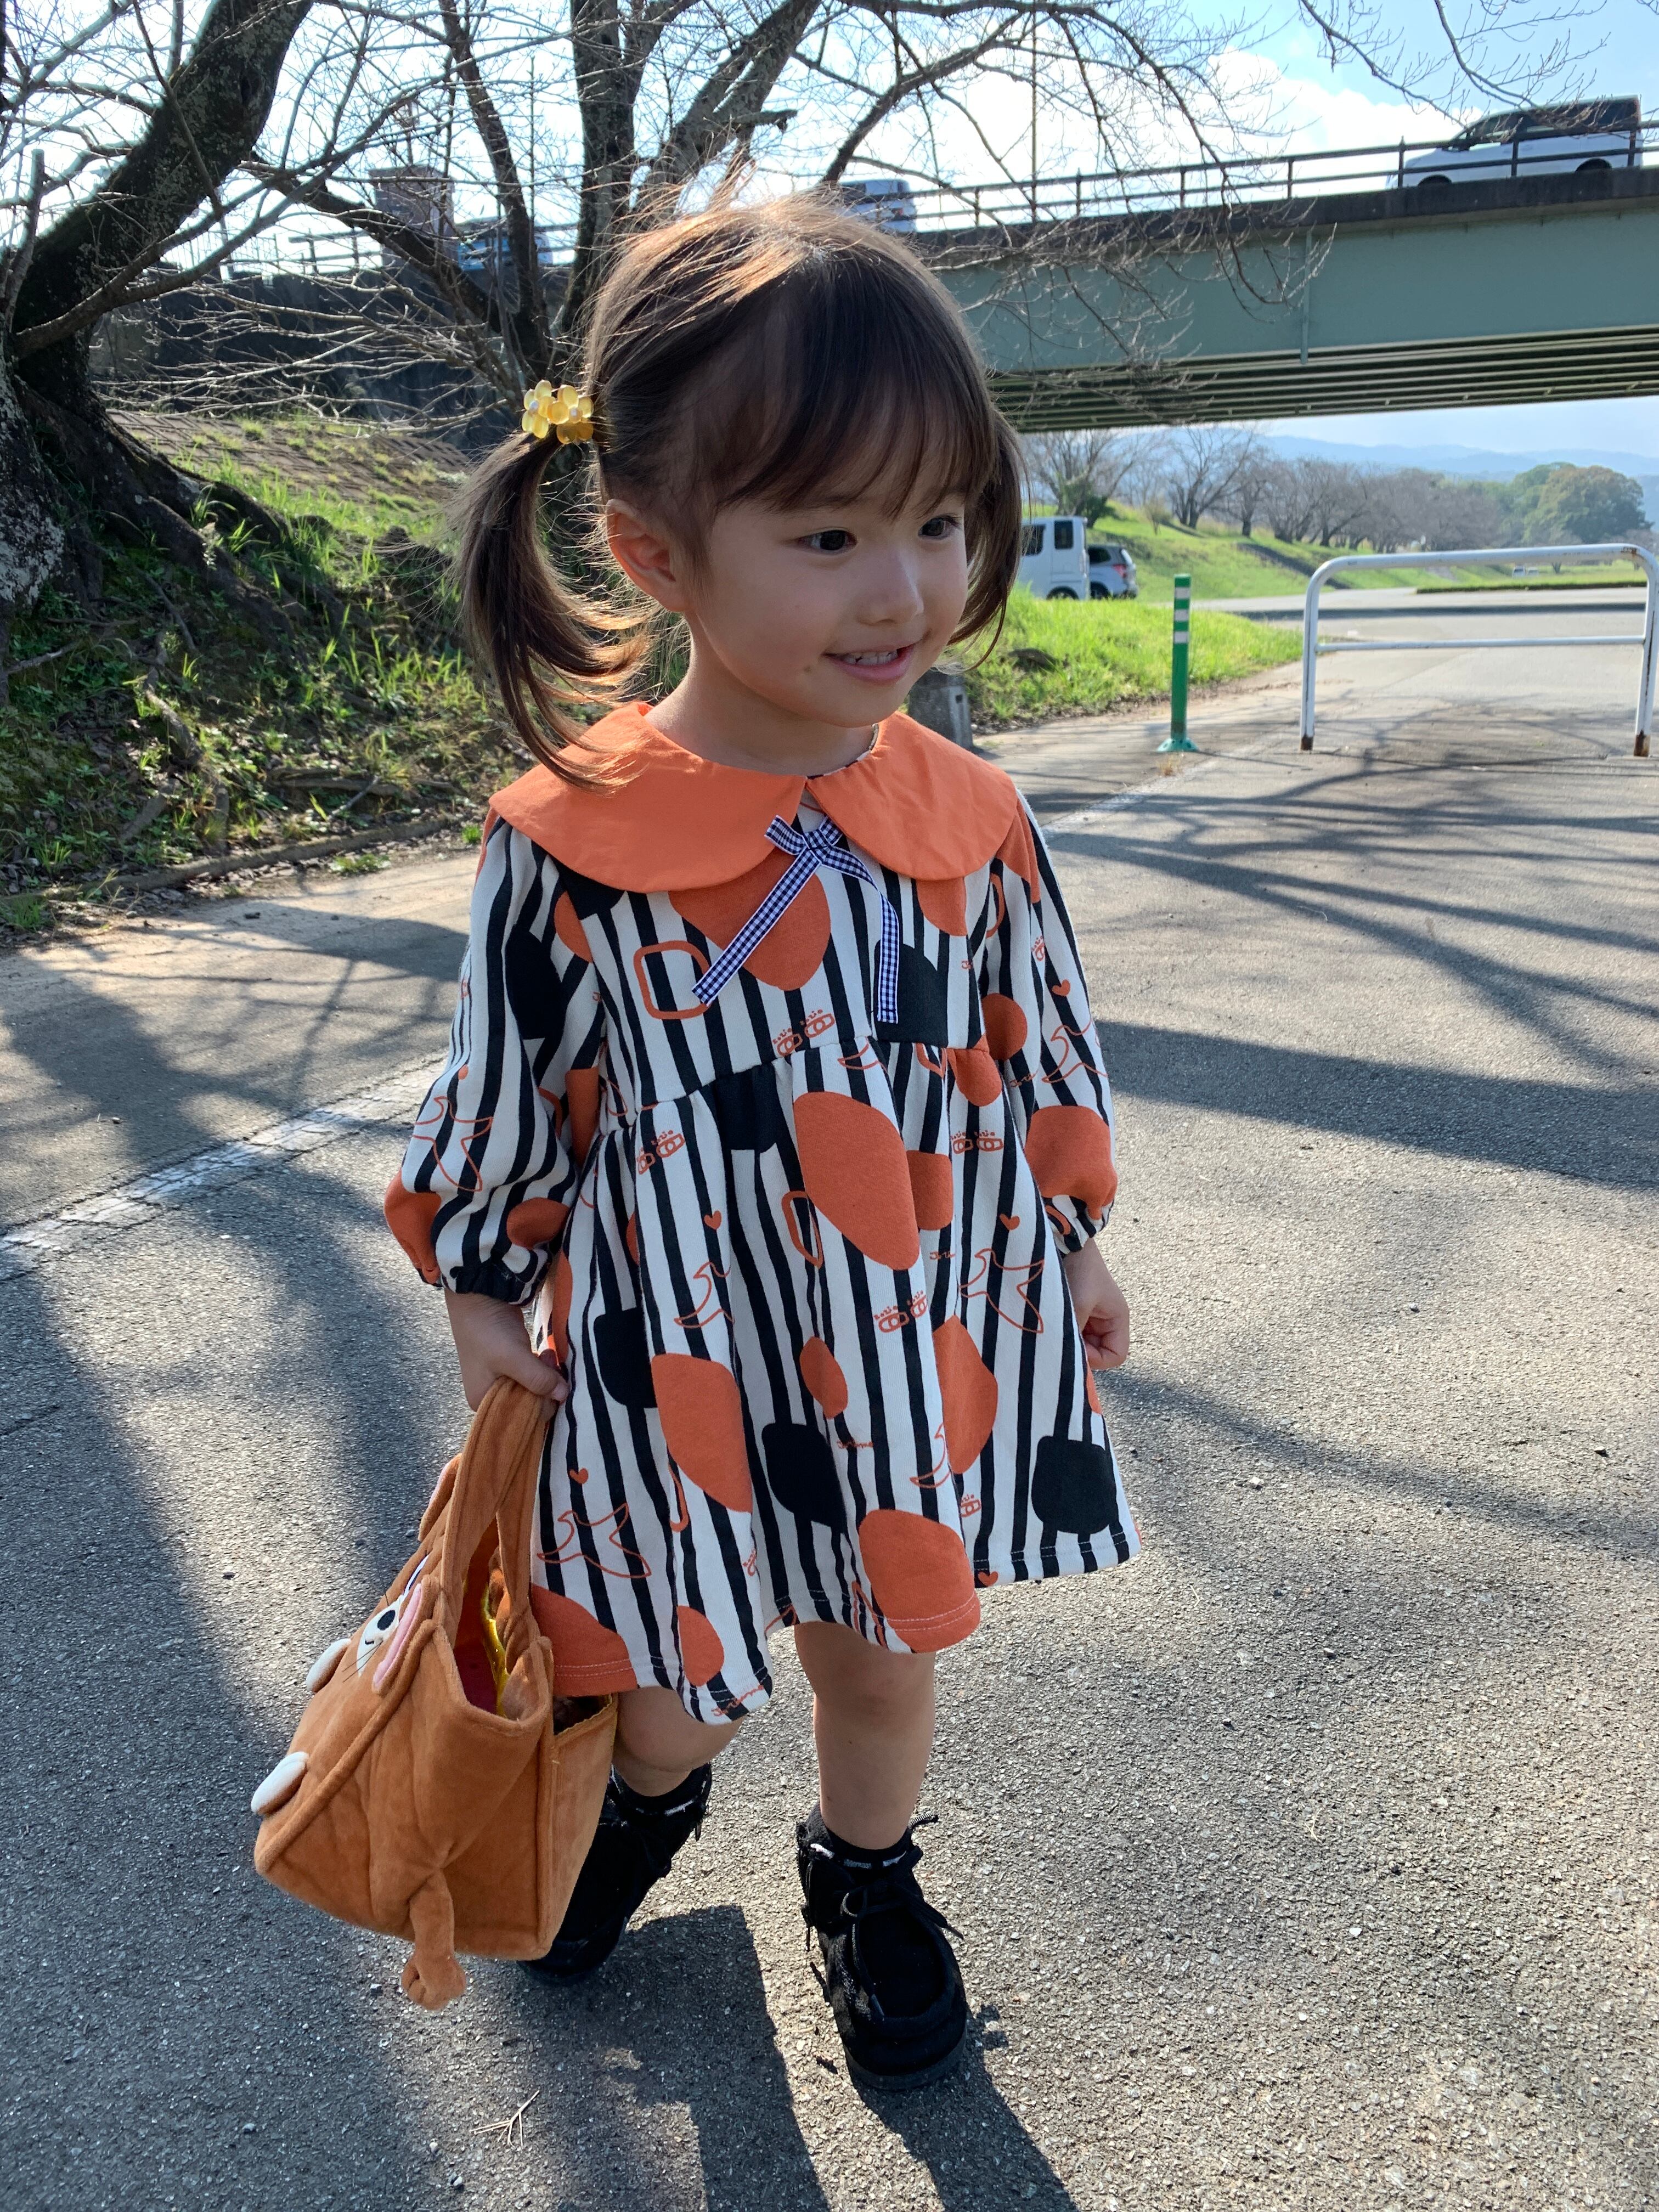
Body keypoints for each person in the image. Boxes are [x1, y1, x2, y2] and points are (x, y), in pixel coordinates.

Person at [385, 195, 1137, 2093]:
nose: (906, 591)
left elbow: (1032, 1044)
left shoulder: (970, 814)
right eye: (829, 537)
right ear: (655, 548)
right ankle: (638, 1806)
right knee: (674, 1683)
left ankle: (866, 1873)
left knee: (882, 1652)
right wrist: (479, 1280)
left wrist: (1074, 1234)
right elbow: (512, 1087)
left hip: (910, 1325)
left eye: (940, 523)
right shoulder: (575, 839)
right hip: (684, 1350)